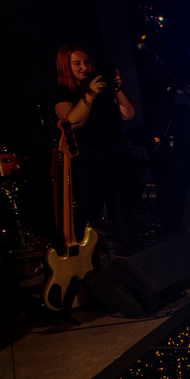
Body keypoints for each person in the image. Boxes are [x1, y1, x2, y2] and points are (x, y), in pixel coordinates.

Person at [53, 44, 138, 253]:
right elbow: (73, 123)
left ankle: (132, 253)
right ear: (66, 67)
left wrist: (116, 89)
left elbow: (128, 114)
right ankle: (86, 258)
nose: (84, 67)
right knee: (89, 208)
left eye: (86, 62)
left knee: (121, 207)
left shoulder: (105, 89)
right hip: (87, 157)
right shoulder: (64, 93)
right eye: (77, 64)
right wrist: (89, 96)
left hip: (115, 152)